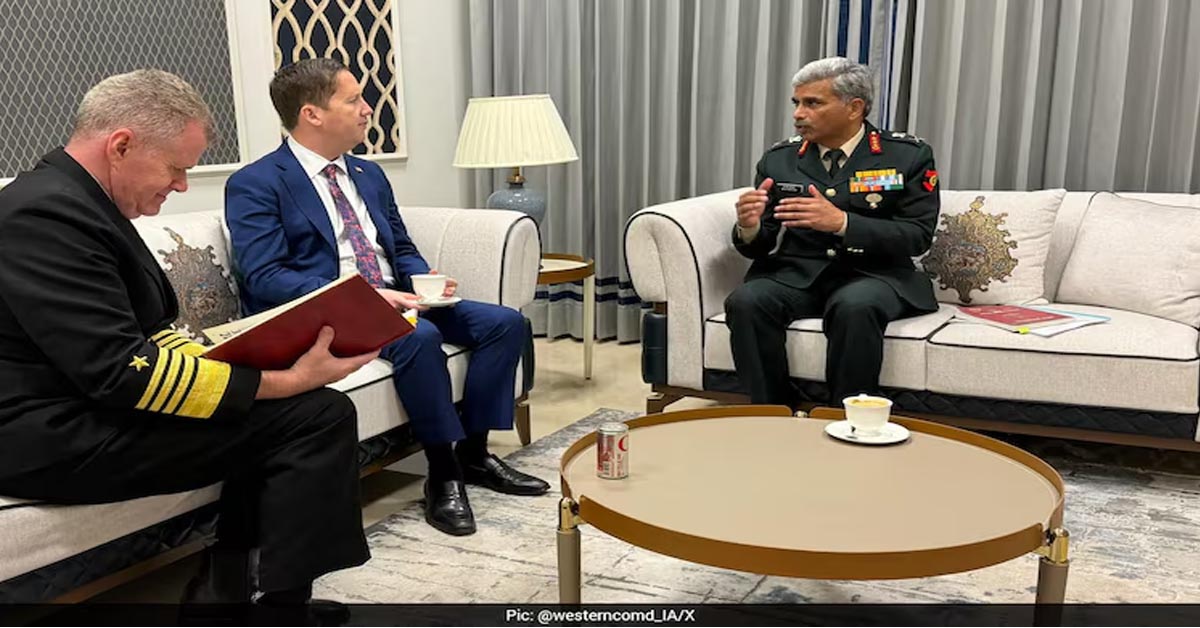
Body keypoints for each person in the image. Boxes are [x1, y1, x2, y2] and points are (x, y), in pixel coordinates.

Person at [0, 69, 375, 615]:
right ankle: (268, 602)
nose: (180, 185)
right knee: (312, 415)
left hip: (86, 408)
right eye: (177, 168)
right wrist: (284, 379)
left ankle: (233, 591)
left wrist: (244, 356)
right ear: (121, 145)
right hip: (47, 435)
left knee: (296, 412)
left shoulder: (82, 203)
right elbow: (119, 372)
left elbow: (146, 333)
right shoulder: (44, 216)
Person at [225, 58, 549, 538]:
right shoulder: (257, 182)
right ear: (312, 114)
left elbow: (399, 246)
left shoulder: (367, 173)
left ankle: (474, 453)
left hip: (393, 299)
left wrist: (422, 281)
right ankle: (443, 472)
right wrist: (368, 297)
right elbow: (265, 276)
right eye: (353, 99)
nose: (367, 109)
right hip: (328, 312)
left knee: (505, 324)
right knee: (419, 338)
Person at [726, 56, 940, 409]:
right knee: (746, 301)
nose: (798, 114)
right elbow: (760, 245)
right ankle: (771, 412)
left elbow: (917, 235)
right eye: (796, 102)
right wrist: (749, 227)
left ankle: (847, 417)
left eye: (813, 103)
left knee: (854, 306)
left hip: (876, 274)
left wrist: (842, 223)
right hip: (799, 275)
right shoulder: (779, 159)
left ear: (854, 108)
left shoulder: (907, 156)